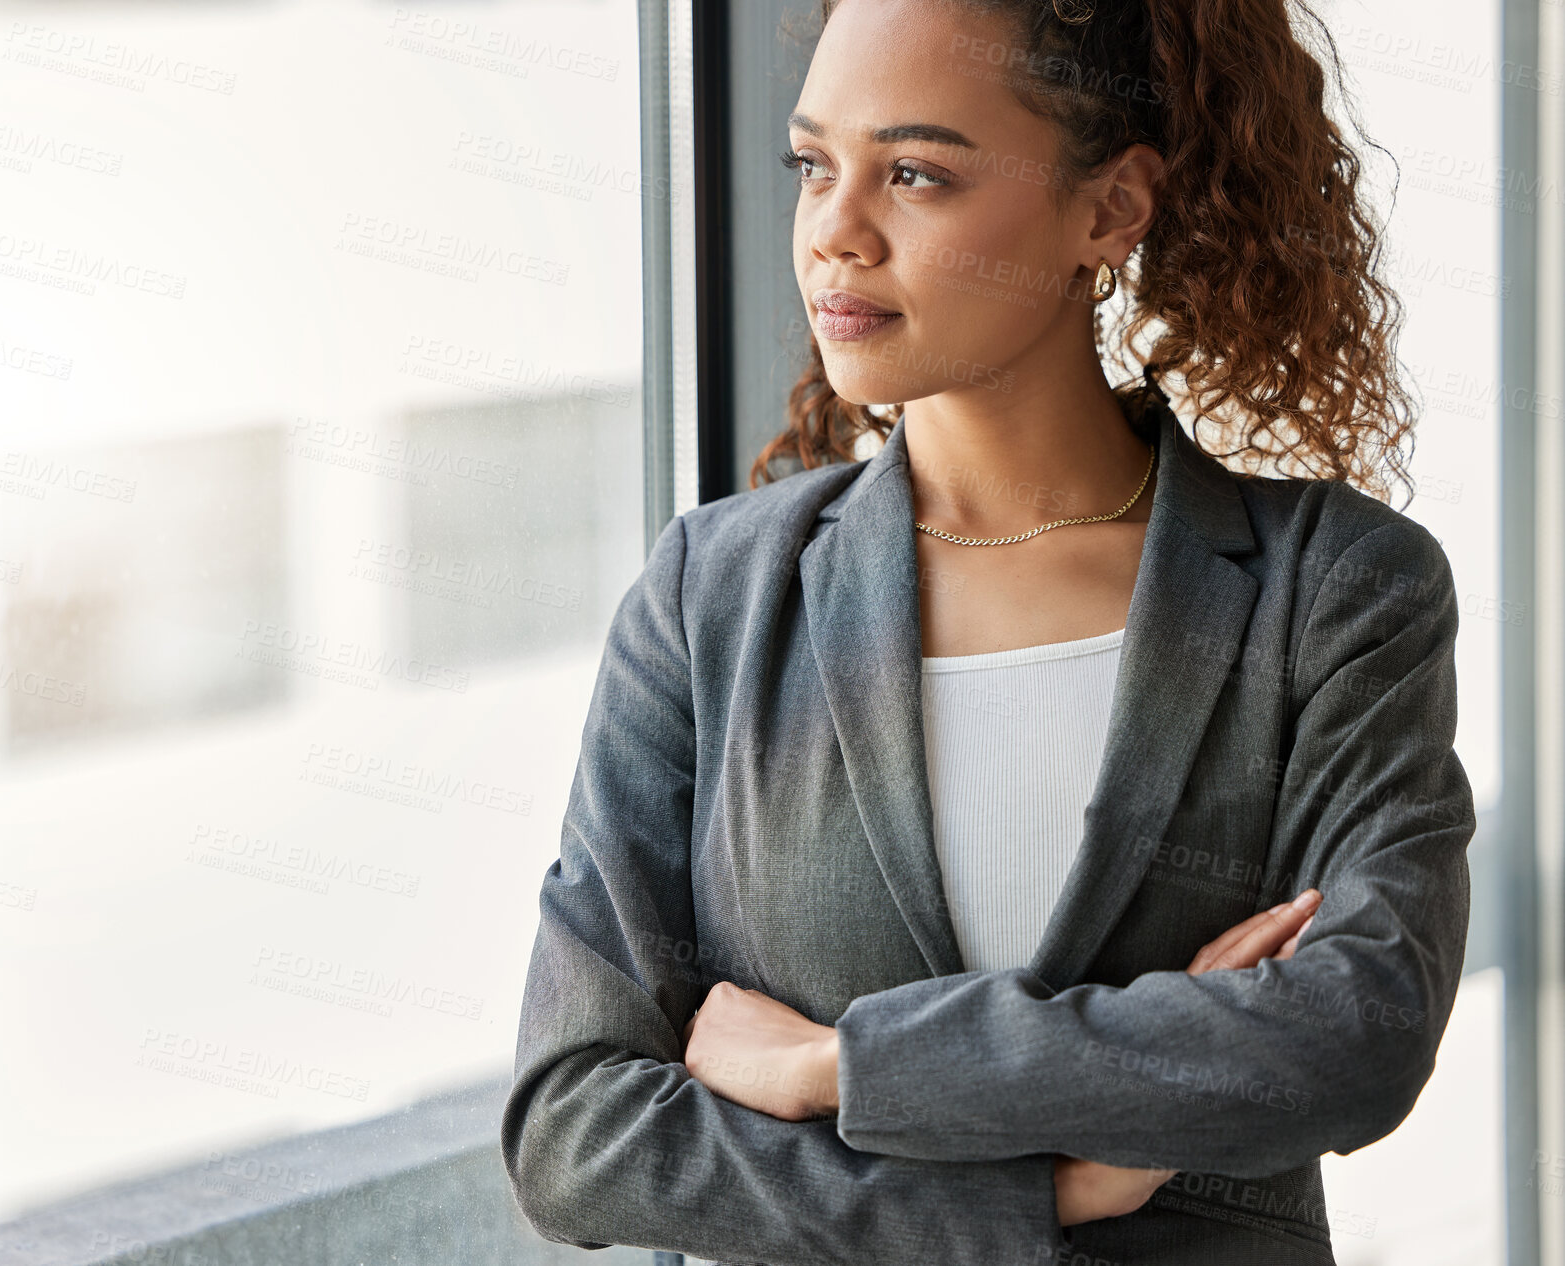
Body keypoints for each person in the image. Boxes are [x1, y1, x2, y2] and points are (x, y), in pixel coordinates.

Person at [502, 0, 1475, 1262]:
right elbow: (574, 1133)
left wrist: (838, 1065)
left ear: (1110, 209)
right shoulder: (714, 596)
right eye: (815, 166)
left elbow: (1356, 1035)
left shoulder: (1336, 589)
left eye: (915, 173)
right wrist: (1042, 1190)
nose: (835, 232)